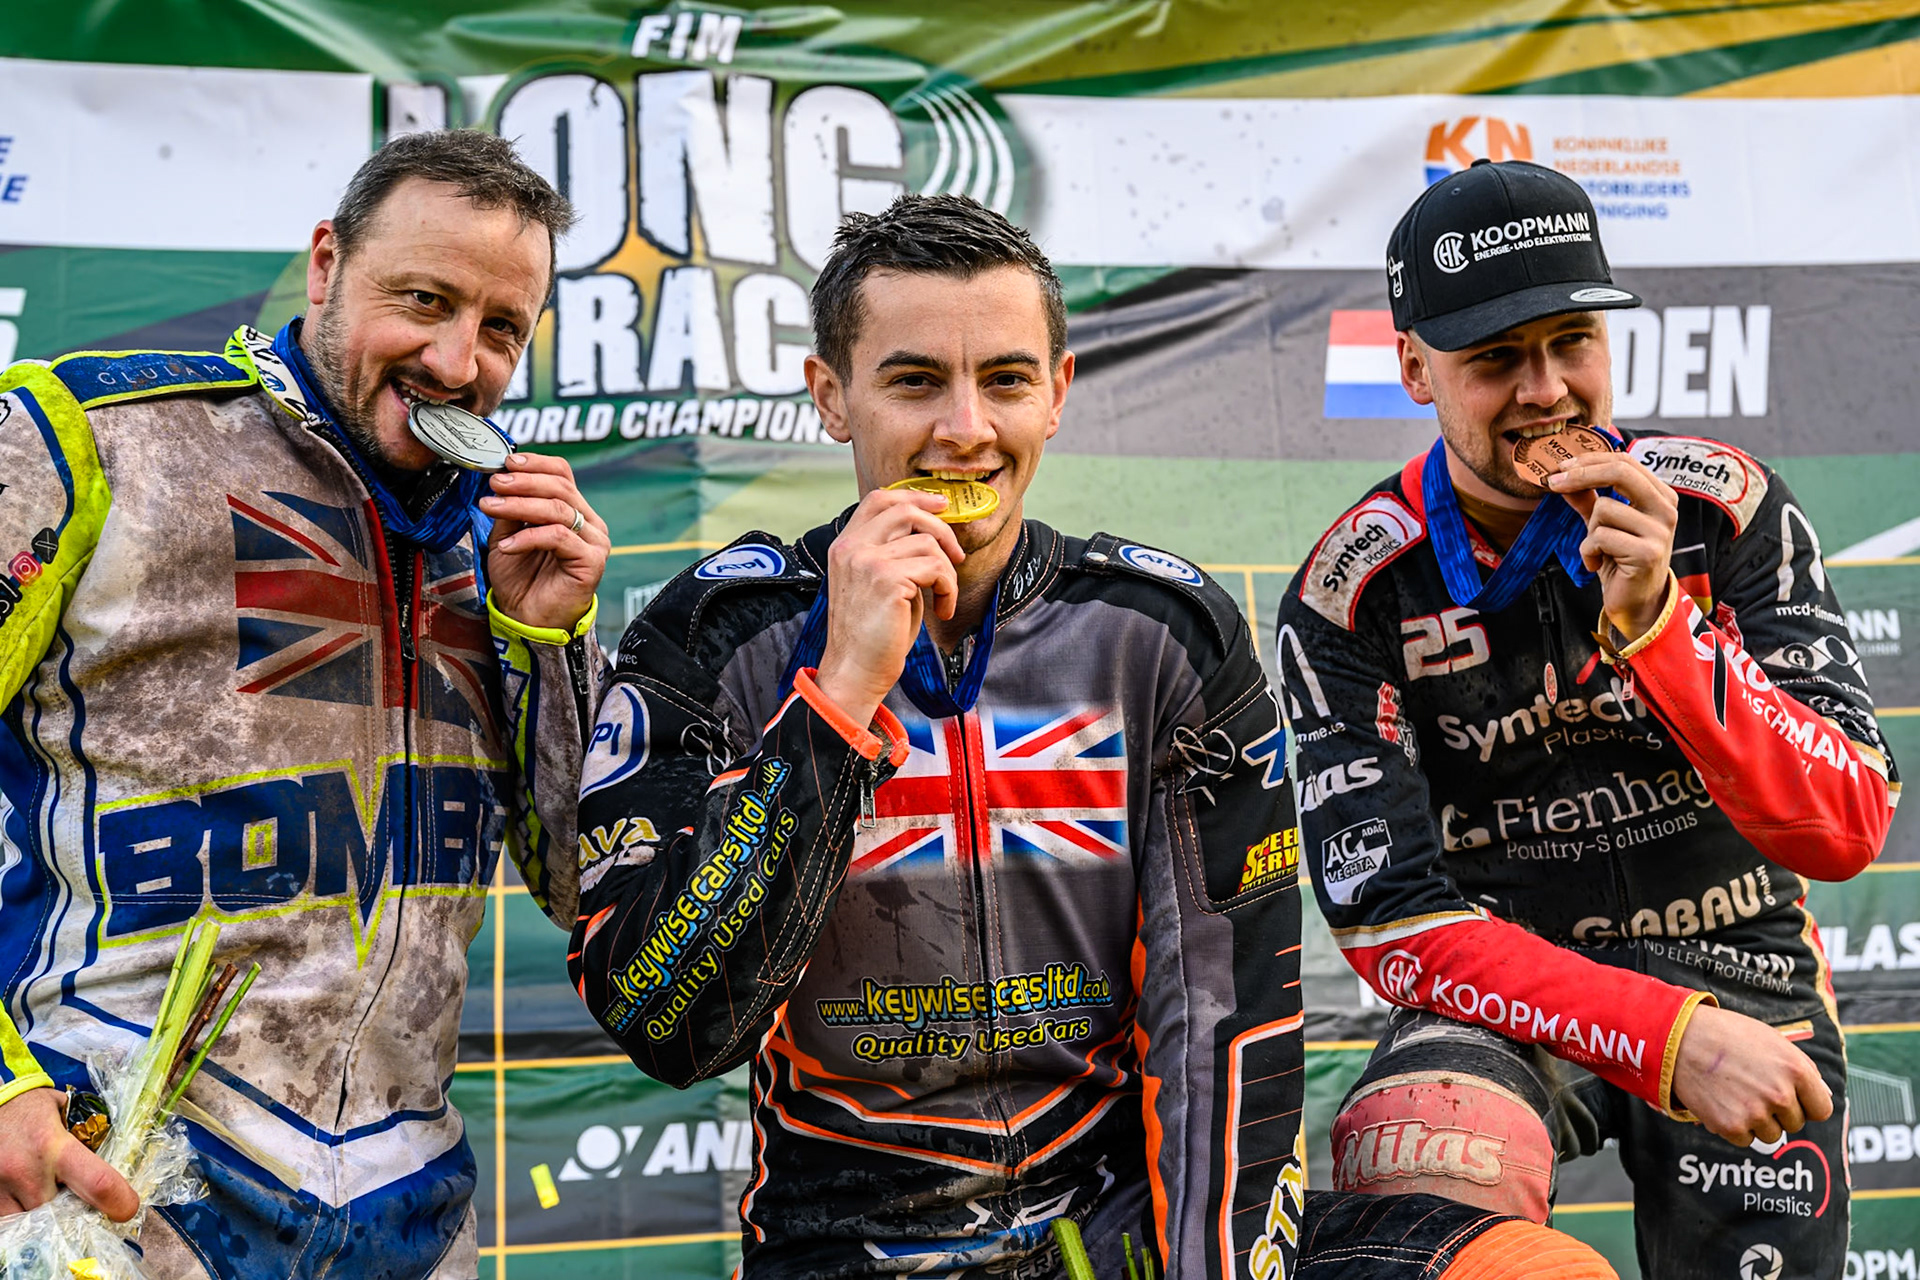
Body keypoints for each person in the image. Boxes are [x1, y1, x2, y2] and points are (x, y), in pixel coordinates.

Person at [567, 193, 1306, 1277]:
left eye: (1005, 378)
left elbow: (1224, 1027)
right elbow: (668, 1018)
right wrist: (841, 691)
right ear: (831, 394)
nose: (965, 429)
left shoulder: (1161, 634)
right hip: (835, 1241)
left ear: (1057, 395)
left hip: (1104, 1234)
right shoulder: (716, 634)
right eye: (915, 380)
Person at [0, 130, 608, 1277]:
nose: (454, 358)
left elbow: (584, 881)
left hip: (407, 1206)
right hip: (108, 1180)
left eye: (501, 329)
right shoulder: (89, 441)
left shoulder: (511, 530)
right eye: (421, 299)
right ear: (326, 263)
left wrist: (548, 638)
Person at [1277, 158, 1897, 1279]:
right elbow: (1389, 922)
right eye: (1494, 359)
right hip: (1506, 983)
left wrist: (1663, 626)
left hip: (1741, 969)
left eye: (1572, 342)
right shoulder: (1356, 586)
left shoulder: (1725, 508)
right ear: (1413, 367)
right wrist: (1662, 1034)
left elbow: (1846, 826)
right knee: (1417, 1132)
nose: (1547, 390)